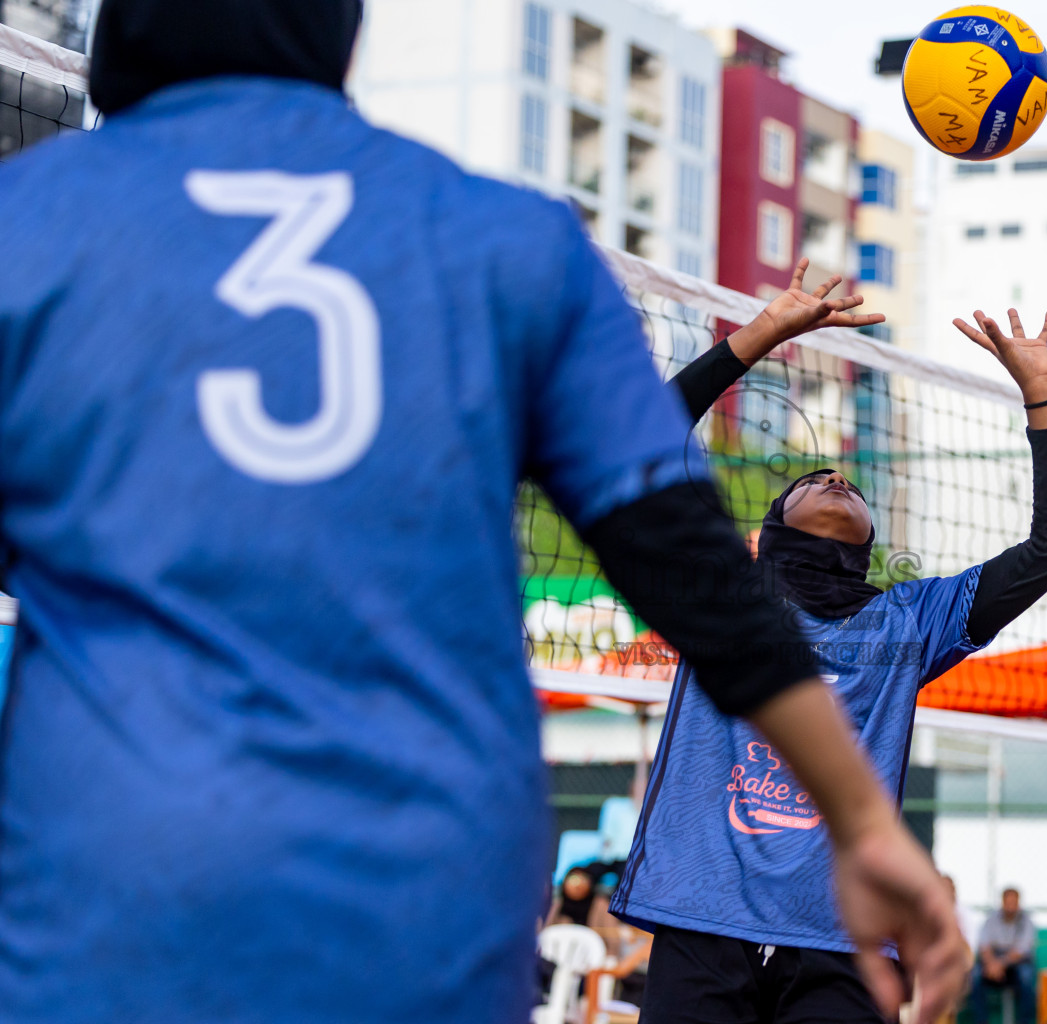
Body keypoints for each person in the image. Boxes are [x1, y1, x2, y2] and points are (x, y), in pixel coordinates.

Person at [0, 4, 968, 1022]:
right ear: (344, 31)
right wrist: (862, 818)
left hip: (108, 875)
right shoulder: (508, 239)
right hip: (425, 891)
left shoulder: (31, 220)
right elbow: (699, 578)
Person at [609, 260, 1047, 1024]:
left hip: (842, 943)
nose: (836, 474)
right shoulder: (718, 589)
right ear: (765, 537)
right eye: (812, 479)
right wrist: (764, 332)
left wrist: (1041, 397)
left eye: (851, 486)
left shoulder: (908, 623)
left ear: (868, 543)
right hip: (702, 925)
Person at [969, 888, 1037, 1024]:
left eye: (1014, 902)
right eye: (1008, 902)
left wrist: (999, 964)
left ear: (1018, 902)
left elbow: (1020, 951)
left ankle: (1024, 1021)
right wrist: (991, 964)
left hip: (1017, 964)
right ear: (1002, 902)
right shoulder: (991, 919)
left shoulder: (1027, 921)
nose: (1011, 906)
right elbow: (984, 946)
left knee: (1027, 978)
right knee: (974, 976)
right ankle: (981, 1021)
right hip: (993, 962)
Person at [946, 875, 987, 954]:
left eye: (947, 888)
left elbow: (971, 947)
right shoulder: (928, 911)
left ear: (953, 890)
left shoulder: (966, 914)